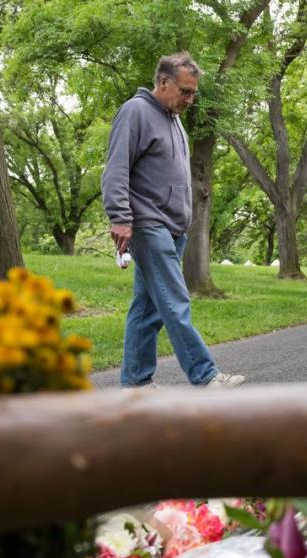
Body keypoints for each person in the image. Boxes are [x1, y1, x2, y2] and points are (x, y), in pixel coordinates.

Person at [102, 52, 244, 388]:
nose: (190, 99)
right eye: (185, 91)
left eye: (193, 93)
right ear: (163, 83)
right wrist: (120, 218)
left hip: (173, 228)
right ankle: (206, 376)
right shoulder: (135, 112)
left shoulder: (174, 119)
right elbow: (116, 169)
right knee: (175, 302)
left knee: (147, 310)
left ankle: (134, 385)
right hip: (148, 224)